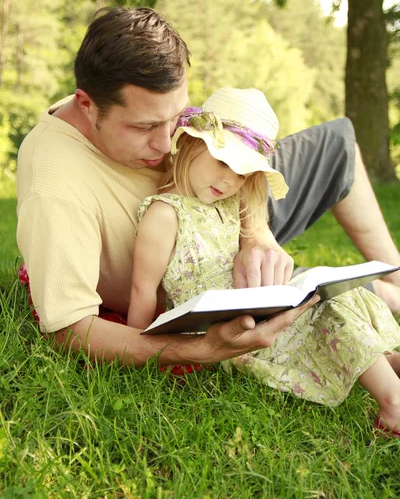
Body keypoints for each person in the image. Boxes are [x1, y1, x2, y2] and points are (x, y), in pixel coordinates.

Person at [16, 6, 400, 370]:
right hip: (195, 269)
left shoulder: (141, 103)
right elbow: (71, 330)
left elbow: (225, 160)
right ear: (86, 105)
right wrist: (201, 349)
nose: (169, 144)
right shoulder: (55, 185)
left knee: (337, 145)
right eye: (145, 128)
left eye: (177, 117)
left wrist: (257, 237)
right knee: (337, 299)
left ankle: (394, 278)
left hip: (225, 201)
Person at [128, 87, 400, 436]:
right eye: (223, 162)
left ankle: (386, 365)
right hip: (230, 332)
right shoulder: (165, 215)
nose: (229, 181)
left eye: (242, 174)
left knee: (332, 298)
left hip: (255, 307)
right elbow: (143, 290)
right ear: (193, 143)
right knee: (322, 313)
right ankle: (393, 402)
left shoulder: (228, 204)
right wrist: (138, 357)